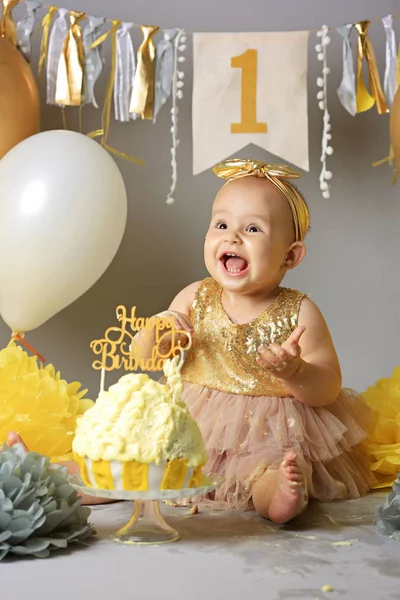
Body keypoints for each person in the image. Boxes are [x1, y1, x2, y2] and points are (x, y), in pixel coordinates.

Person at [133, 158, 373, 524]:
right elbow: (145, 355)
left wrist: (295, 371)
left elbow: (327, 387)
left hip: (270, 427)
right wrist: (158, 335)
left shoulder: (300, 312)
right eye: (222, 224)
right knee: (140, 455)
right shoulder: (194, 296)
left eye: (253, 229)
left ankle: (278, 495)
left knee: (266, 466)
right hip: (193, 419)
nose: (232, 237)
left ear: (290, 256)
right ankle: (74, 480)